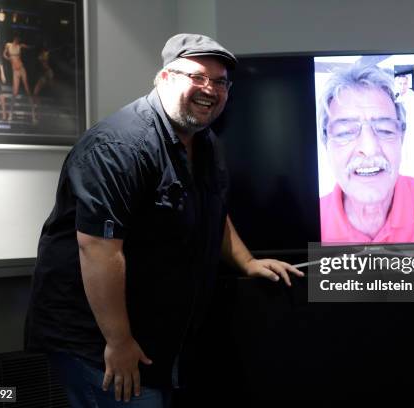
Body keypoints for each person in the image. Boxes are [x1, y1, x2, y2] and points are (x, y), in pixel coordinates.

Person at [24, 33, 303, 408]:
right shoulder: (119, 147)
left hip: (157, 340)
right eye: (197, 77)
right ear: (165, 78)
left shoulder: (204, 141)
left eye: (220, 82)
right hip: (98, 344)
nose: (210, 89)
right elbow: (97, 249)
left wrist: (247, 262)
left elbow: (212, 210)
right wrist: (119, 341)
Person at [317, 63, 414, 243]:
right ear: (325, 145)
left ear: (402, 139)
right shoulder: (309, 218)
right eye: (345, 131)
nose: (369, 149)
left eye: (385, 130)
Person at [3, 32, 35, 122]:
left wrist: (32, 47)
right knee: (15, 92)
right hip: (15, 70)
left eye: (19, 39)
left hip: (21, 68)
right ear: (14, 38)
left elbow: (27, 47)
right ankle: (10, 114)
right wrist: (8, 58)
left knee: (27, 89)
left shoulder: (20, 46)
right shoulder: (8, 45)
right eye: (17, 38)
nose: (18, 40)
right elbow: (4, 54)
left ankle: (33, 114)